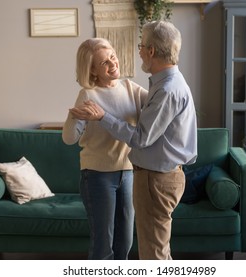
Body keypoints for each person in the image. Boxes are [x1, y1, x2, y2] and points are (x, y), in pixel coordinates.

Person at [73, 21, 198, 260]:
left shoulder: (166, 90)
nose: (138, 51)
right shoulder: (163, 85)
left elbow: (140, 138)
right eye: (104, 61)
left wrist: (102, 116)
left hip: (156, 180)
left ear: (151, 51)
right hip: (152, 177)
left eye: (141, 46)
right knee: (157, 250)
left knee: (153, 255)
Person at [62, 38, 148, 260]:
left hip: (128, 172)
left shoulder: (131, 88)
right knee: (103, 244)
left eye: (112, 57)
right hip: (97, 176)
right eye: (104, 63)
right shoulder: (88, 95)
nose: (113, 64)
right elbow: (69, 139)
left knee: (126, 241)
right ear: (91, 70)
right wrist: (74, 116)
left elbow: (160, 103)